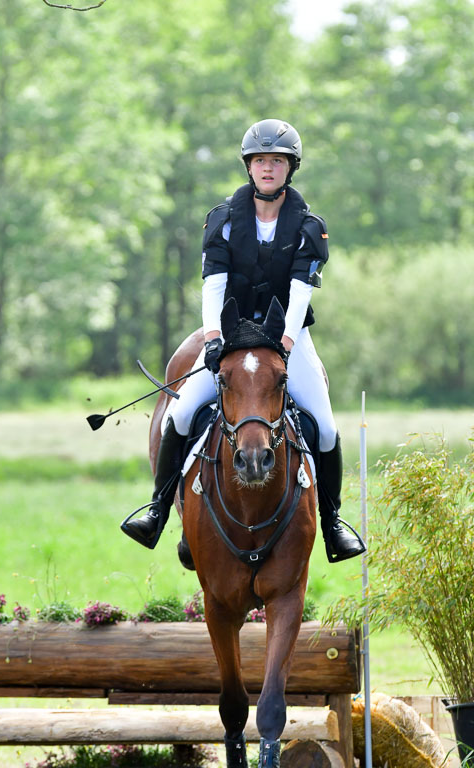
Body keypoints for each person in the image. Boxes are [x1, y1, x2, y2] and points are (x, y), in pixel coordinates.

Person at [121, 118, 366, 563]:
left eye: (276, 161)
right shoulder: (224, 220)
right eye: (259, 161)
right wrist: (213, 338)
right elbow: (212, 284)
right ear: (248, 168)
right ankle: (158, 511)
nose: (267, 168)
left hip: (287, 336)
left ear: (290, 168)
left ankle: (331, 524)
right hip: (232, 333)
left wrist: (287, 344)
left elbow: (299, 292)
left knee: (325, 427)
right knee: (179, 415)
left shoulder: (308, 226)